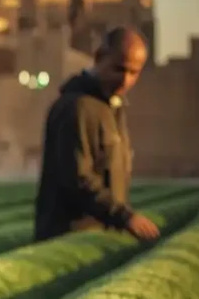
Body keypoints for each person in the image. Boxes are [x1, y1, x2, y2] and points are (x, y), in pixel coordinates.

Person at [34, 26, 160, 242]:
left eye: (134, 73)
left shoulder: (111, 107)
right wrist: (124, 217)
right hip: (71, 238)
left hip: (95, 235)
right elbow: (79, 178)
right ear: (99, 57)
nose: (125, 80)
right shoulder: (78, 107)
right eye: (119, 69)